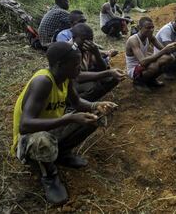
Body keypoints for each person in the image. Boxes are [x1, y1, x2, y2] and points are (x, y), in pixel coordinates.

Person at [11, 41, 117, 205]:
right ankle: (49, 175)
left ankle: (60, 154)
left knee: (95, 115)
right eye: (75, 64)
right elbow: (25, 126)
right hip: (28, 140)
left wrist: (96, 105)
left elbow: (78, 103)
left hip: (51, 128)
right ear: (60, 64)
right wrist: (69, 118)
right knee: (43, 141)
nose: (79, 69)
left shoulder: (65, 78)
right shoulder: (43, 82)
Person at [70, 23, 124, 101]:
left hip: (81, 77)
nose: (88, 42)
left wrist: (96, 53)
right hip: (69, 83)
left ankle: (90, 99)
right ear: (74, 38)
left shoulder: (87, 47)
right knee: (93, 87)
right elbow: (78, 77)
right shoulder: (69, 50)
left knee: (112, 78)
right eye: (84, 39)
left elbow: (103, 68)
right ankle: (73, 104)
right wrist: (108, 72)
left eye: (90, 39)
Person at [125, 17, 176, 91]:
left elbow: (164, 49)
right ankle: (138, 82)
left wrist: (172, 47)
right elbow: (142, 62)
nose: (151, 30)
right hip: (134, 70)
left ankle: (151, 79)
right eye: (148, 28)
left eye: (152, 27)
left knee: (170, 58)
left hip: (144, 65)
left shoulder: (150, 37)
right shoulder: (133, 40)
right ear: (139, 27)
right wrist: (164, 50)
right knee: (154, 66)